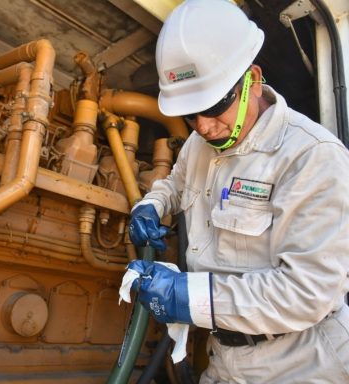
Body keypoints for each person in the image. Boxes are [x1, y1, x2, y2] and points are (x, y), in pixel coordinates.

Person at [127, 0, 349, 383]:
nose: (203, 126)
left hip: (301, 361)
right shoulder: (201, 144)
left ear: (254, 80)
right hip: (224, 357)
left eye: (213, 106)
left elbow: (308, 291)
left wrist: (188, 296)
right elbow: (176, 184)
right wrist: (150, 205)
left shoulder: (312, 157)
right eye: (189, 114)